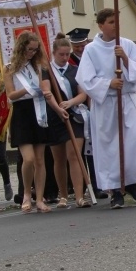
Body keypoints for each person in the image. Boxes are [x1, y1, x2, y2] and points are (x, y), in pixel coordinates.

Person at [76, 8, 136, 209]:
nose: (115, 25)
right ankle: (116, 190)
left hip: (128, 99)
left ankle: (131, 182)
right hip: (106, 104)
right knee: (111, 147)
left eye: (117, 21)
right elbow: (85, 78)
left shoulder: (127, 45)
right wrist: (108, 83)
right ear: (101, 25)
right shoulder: (91, 50)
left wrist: (125, 58)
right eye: (111, 22)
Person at [3, 34, 63, 213]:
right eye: (29, 49)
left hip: (39, 110)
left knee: (39, 160)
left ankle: (40, 198)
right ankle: (26, 194)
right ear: (21, 48)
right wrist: (27, 89)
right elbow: (10, 95)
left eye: (35, 50)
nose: (32, 53)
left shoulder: (38, 66)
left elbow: (45, 88)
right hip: (22, 113)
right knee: (28, 159)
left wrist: (47, 94)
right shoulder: (9, 68)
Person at [45, 34, 91, 208]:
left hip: (74, 116)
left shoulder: (74, 70)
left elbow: (83, 94)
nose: (65, 58)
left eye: (67, 54)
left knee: (74, 155)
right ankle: (63, 195)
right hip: (55, 117)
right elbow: (46, 92)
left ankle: (79, 196)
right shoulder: (47, 71)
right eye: (61, 55)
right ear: (54, 53)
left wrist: (70, 103)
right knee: (59, 158)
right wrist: (58, 108)